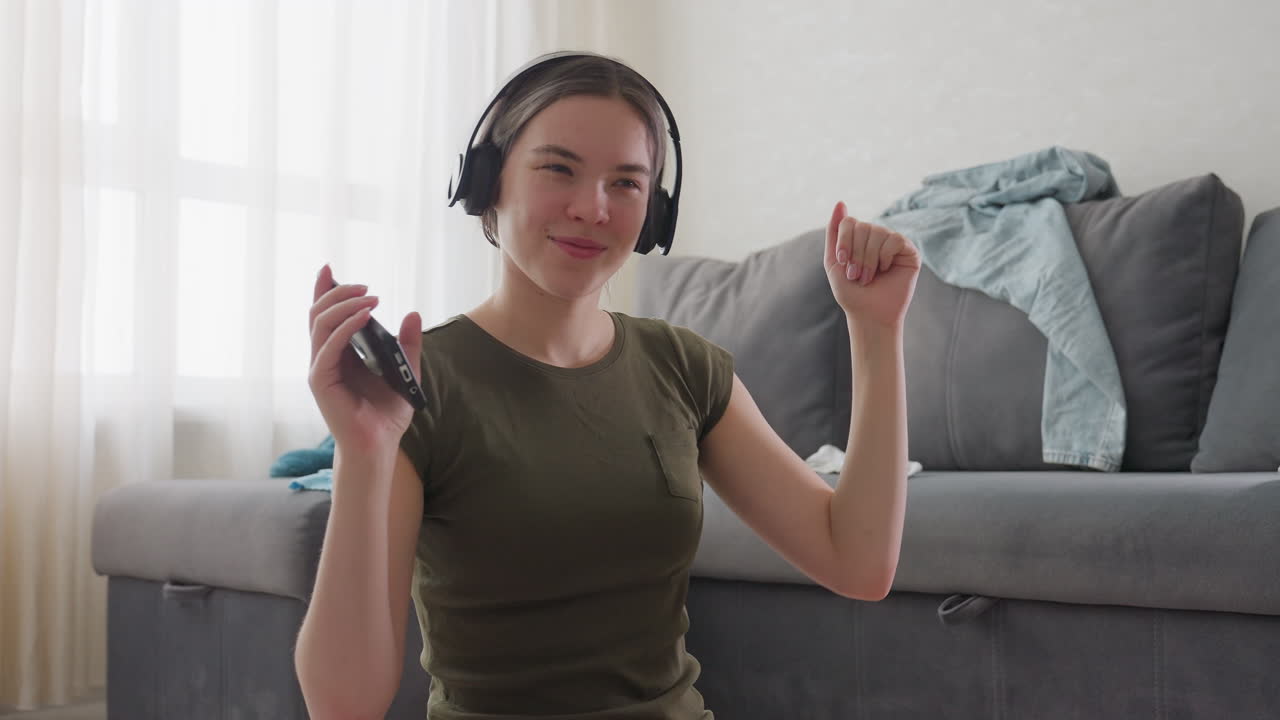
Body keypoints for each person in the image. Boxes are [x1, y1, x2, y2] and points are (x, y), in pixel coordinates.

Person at [294, 51, 921, 720]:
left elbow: (857, 562)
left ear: (654, 211)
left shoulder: (685, 369)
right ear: (488, 181)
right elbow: (343, 706)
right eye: (558, 168)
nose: (593, 208)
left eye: (625, 183)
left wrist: (876, 332)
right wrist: (362, 455)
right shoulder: (419, 388)